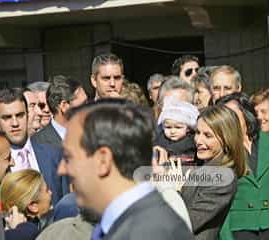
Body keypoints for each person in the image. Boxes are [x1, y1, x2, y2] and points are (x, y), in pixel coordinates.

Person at [57, 99, 193, 240]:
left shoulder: (151, 233)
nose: (61, 169)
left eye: (68, 157)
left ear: (103, 160)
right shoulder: (126, 224)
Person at [157, 105, 246, 240]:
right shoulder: (200, 165)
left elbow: (186, 222)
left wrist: (172, 189)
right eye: (197, 133)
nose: (199, 141)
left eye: (208, 135)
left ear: (226, 138)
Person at [217, 92, 269, 240]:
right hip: (240, 229)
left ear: (246, 114)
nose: (229, 119)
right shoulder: (220, 155)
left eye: (232, 114)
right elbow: (221, 207)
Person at [0, 88, 69, 205]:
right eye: (7, 117)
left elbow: (66, 204)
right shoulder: (0, 164)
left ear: (28, 115)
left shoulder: (54, 154)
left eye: (20, 115)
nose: (15, 123)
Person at [32, 75, 87, 148]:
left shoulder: (92, 134)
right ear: (64, 106)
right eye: (83, 104)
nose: (88, 107)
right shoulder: (37, 143)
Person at [155, 97, 199, 165]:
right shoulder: (160, 140)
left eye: (178, 127)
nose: (172, 131)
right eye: (168, 127)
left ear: (188, 128)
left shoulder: (193, 141)